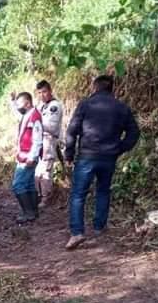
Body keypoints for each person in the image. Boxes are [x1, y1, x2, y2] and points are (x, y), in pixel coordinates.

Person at [63, 75, 140, 249]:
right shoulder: (122, 107)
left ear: (94, 87)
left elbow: (72, 131)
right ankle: (99, 227)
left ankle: (77, 233)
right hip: (109, 157)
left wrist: (69, 154)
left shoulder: (85, 105)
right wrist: (119, 148)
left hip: (87, 156)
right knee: (103, 191)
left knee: (78, 195)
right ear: (112, 88)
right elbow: (134, 133)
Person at [9, 91, 43, 223]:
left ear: (28, 103)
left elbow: (38, 139)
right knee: (29, 185)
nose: (18, 107)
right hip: (24, 156)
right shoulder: (27, 115)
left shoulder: (34, 117)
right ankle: (33, 212)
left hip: (28, 157)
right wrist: (12, 102)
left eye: (20, 104)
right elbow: (16, 114)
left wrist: (32, 157)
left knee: (18, 185)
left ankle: (28, 213)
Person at [35, 80, 64, 207]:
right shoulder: (41, 105)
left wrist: (36, 123)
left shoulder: (54, 106)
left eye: (44, 92)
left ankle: (46, 198)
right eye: (40, 92)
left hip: (49, 140)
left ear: (50, 91)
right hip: (39, 141)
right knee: (37, 171)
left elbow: (51, 126)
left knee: (45, 171)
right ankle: (38, 195)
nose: (42, 95)